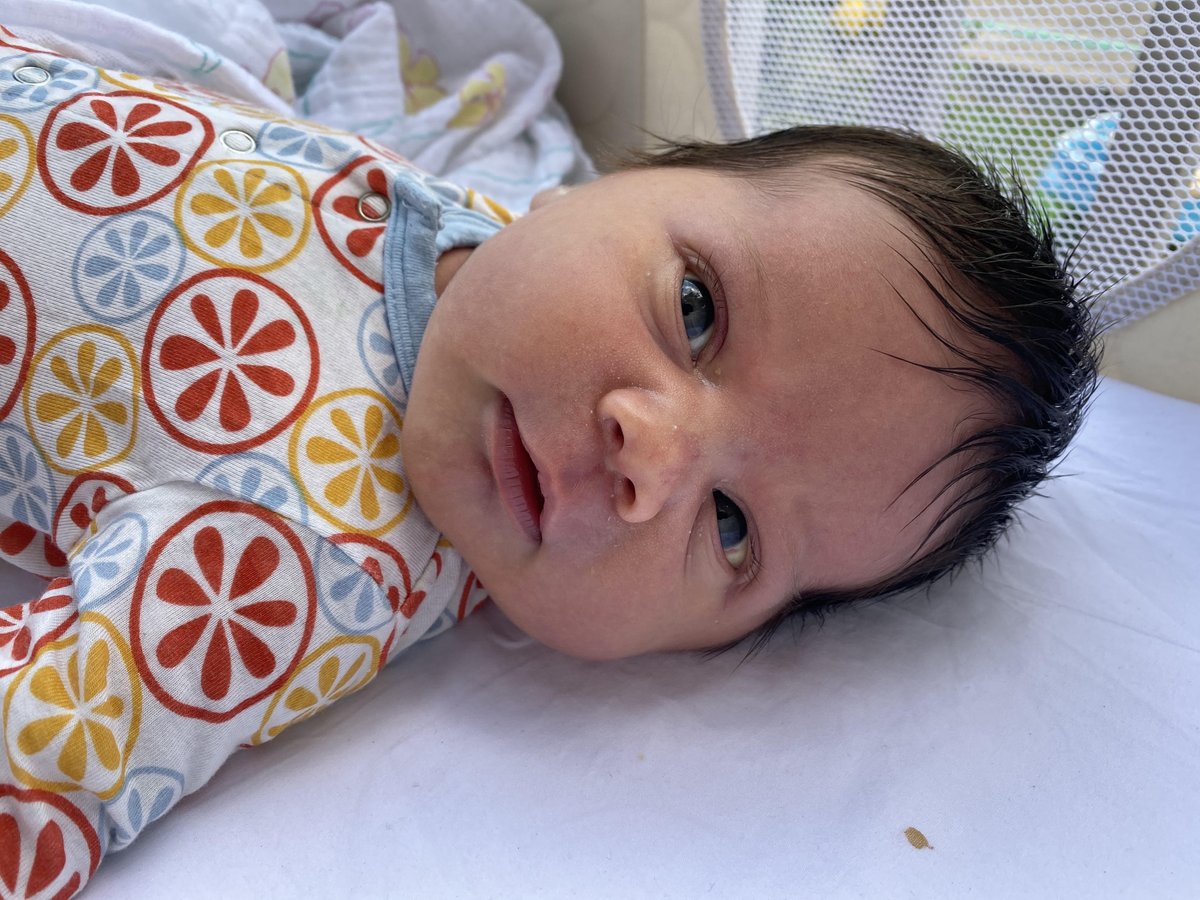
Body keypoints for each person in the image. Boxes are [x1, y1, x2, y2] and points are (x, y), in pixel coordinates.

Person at [0, 32, 1098, 897]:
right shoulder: (483, 235)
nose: (650, 457)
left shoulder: (299, 551)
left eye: (731, 527)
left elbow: (41, 760)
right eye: (696, 309)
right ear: (599, 187)